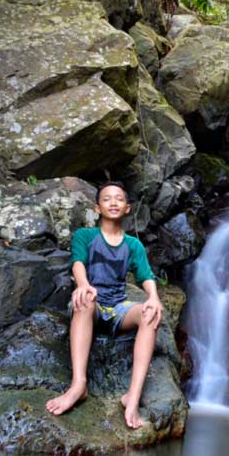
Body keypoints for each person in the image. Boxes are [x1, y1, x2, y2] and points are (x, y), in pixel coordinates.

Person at [45, 181, 163, 429]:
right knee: (86, 299)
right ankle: (79, 385)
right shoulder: (85, 236)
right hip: (92, 307)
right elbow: (77, 262)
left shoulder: (133, 245)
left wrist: (153, 298)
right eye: (107, 198)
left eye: (119, 198)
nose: (113, 202)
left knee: (149, 314)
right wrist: (83, 284)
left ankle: (133, 396)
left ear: (128, 208)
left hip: (118, 308)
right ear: (97, 208)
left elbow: (145, 276)